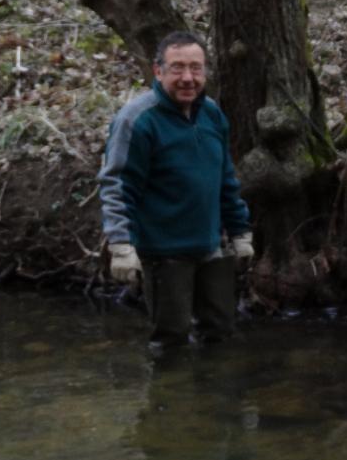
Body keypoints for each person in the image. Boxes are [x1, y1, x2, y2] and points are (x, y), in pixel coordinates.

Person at [98, 31, 254, 347]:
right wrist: (121, 245)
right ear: (158, 71)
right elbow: (116, 184)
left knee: (220, 334)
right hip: (163, 253)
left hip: (210, 245)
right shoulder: (136, 120)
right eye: (177, 68)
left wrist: (240, 233)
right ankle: (168, 396)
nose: (187, 78)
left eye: (195, 68)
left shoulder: (212, 113)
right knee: (171, 341)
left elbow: (225, 177)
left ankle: (212, 396)